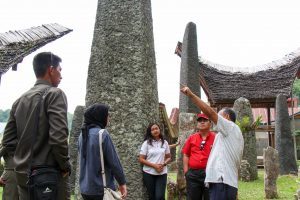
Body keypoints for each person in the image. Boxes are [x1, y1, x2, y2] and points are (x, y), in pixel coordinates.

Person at [1, 52, 71, 200]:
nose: (61, 76)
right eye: (60, 70)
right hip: (49, 178)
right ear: (51, 70)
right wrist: (65, 166)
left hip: (23, 177)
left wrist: (19, 164)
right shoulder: (55, 94)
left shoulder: (19, 100)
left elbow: (7, 142)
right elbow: (58, 138)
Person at [180, 86, 244, 200]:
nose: (216, 119)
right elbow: (186, 154)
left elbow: (209, 113)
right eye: (200, 121)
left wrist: (191, 95)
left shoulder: (229, 127)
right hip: (222, 181)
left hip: (221, 181)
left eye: (219, 115)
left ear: (227, 117)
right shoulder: (227, 134)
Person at [78, 103, 127, 200]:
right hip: (101, 189)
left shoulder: (82, 135)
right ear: (100, 116)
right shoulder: (102, 134)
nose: (109, 118)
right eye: (107, 115)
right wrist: (122, 183)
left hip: (85, 189)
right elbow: (114, 162)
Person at [182, 113, 215, 200]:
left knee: (210, 197)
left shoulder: (216, 138)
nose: (202, 122)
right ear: (197, 124)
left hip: (210, 173)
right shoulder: (192, 138)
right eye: (200, 121)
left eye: (205, 120)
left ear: (210, 123)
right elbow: (186, 154)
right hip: (193, 175)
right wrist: (186, 172)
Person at [139, 123, 172, 200]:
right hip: (148, 173)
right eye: (152, 129)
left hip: (162, 173)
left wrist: (163, 164)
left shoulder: (165, 143)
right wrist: (154, 166)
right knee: (152, 196)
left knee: (159, 196)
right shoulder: (146, 143)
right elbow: (141, 159)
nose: (155, 130)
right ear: (150, 132)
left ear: (159, 129)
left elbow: (169, 157)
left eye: (156, 128)